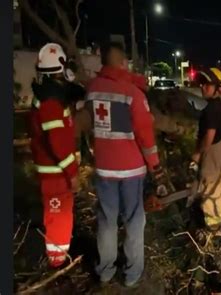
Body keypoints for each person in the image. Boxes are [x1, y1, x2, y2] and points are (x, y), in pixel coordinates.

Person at [84, 42, 160, 286]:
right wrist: (154, 165)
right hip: (131, 171)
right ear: (122, 63)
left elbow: (86, 125)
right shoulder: (132, 93)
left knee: (107, 221)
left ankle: (105, 272)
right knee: (134, 221)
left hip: (105, 169)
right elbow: (145, 134)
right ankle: (132, 274)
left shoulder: (93, 89)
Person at [29, 43, 79, 268]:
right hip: (55, 176)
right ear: (60, 69)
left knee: (61, 217)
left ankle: (59, 258)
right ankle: (56, 265)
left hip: (55, 174)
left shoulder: (51, 95)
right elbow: (58, 144)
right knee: (58, 218)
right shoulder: (50, 102)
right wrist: (73, 172)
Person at [190, 67, 221, 235]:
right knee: (220, 186)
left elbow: (209, 134)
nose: (202, 88)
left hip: (212, 151)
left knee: (208, 188)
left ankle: (214, 230)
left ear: (217, 88)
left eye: (207, 85)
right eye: (202, 84)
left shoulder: (211, 109)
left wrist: (198, 154)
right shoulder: (219, 106)